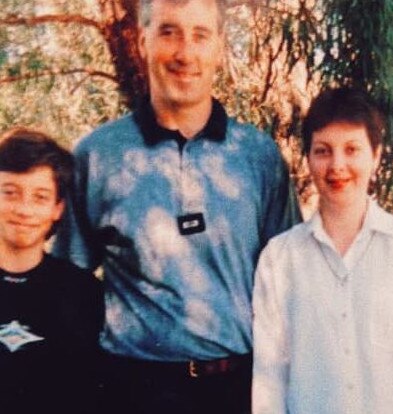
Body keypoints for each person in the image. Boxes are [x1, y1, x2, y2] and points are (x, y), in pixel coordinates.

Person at [53, 0, 300, 412]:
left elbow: (289, 284)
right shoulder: (98, 156)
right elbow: (67, 284)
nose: (185, 52)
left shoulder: (258, 157)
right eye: (169, 32)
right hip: (131, 389)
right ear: (143, 39)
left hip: (236, 390)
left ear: (220, 47)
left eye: (200, 35)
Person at [252, 87, 393, 414]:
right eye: (323, 151)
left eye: (352, 149)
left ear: (376, 156)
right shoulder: (280, 260)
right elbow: (271, 379)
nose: (338, 165)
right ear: (307, 158)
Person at [0, 127, 103, 414]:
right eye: (10, 193)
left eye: (40, 197)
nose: (24, 209)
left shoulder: (83, 293)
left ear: (58, 208)